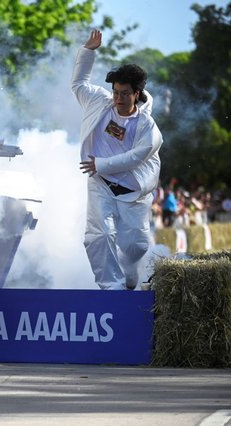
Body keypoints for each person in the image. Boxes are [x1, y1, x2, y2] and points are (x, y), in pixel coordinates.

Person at [72, 30, 163, 290]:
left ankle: (130, 265)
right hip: (100, 182)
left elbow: (136, 157)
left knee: (137, 245)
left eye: (125, 94)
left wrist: (101, 164)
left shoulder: (148, 126)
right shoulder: (100, 102)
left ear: (137, 93)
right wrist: (87, 52)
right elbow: (78, 84)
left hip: (133, 190)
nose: (118, 99)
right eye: (115, 92)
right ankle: (112, 288)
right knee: (100, 234)